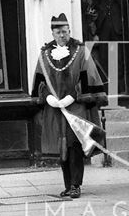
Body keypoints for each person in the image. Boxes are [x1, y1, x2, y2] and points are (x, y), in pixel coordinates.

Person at [31, 13, 107, 199]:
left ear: (69, 31)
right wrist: (48, 97)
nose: (62, 36)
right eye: (58, 33)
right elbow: (40, 81)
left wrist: (72, 97)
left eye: (65, 32)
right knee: (61, 147)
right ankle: (67, 185)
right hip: (55, 108)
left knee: (74, 145)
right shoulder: (45, 53)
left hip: (76, 106)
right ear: (53, 33)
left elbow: (88, 78)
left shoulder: (80, 51)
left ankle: (75, 185)